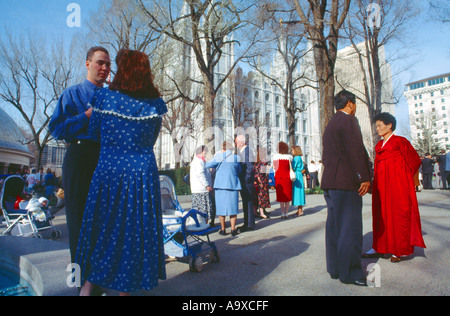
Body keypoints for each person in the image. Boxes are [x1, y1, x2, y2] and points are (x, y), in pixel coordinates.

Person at [75, 49, 167, 296]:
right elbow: (152, 139)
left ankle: (88, 287)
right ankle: (124, 290)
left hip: (109, 172)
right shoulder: (156, 105)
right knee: (133, 234)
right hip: (142, 175)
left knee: (102, 230)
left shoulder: (104, 99)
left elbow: (94, 132)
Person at [49, 46, 111, 265]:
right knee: (78, 222)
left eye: (107, 64)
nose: (104, 68)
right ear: (87, 64)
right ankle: (83, 285)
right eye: (99, 63)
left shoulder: (113, 97)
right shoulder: (72, 94)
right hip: (79, 156)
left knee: (105, 222)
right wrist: (85, 116)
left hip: (106, 160)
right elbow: (56, 129)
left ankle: (100, 281)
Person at [321, 90, 371, 286]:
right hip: (346, 183)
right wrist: (363, 178)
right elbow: (356, 150)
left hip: (331, 183)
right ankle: (350, 272)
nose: (355, 107)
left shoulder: (331, 124)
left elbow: (328, 156)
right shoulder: (349, 120)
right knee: (349, 229)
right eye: (355, 103)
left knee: (334, 227)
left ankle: (335, 268)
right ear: (349, 104)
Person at [362, 112, 426, 263]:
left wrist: (407, 181)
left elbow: (415, 161)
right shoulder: (379, 145)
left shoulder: (400, 142)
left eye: (380, 125)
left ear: (389, 125)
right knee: (381, 216)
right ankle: (379, 247)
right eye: (376, 126)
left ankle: (400, 250)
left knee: (398, 216)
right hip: (381, 188)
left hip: (398, 187)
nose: (377, 128)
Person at [205, 141, 242, 236]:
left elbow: (207, 165)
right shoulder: (236, 158)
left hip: (220, 186)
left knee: (221, 209)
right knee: (233, 208)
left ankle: (223, 229)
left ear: (223, 148)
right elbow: (239, 170)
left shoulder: (219, 157)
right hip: (233, 185)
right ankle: (233, 229)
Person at [235, 135, 256, 232]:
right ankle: (247, 222)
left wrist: (246, 179)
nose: (236, 144)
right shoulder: (243, 151)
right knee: (246, 202)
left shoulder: (247, 151)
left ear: (242, 142)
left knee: (248, 202)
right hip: (244, 181)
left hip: (246, 182)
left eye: (236, 142)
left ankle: (249, 224)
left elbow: (249, 167)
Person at [190, 145, 213, 221]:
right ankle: (202, 223)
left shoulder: (200, 161)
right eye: (205, 152)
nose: (206, 153)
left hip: (201, 189)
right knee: (202, 210)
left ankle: (203, 223)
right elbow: (200, 174)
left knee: (203, 209)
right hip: (200, 190)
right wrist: (207, 185)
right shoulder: (198, 161)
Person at [273, 141, 293, 219]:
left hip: (279, 178)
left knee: (281, 197)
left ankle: (282, 213)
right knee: (287, 197)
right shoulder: (289, 157)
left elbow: (274, 168)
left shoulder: (275, 157)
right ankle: (286, 213)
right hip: (287, 178)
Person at [253, 147, 271, 219]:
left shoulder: (256, 160)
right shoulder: (263, 162)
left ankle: (255, 212)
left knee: (255, 197)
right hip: (262, 181)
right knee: (262, 197)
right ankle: (261, 213)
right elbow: (263, 172)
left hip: (255, 181)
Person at [291, 145, 305, 216]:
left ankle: (300, 210)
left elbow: (293, 167)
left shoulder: (296, 158)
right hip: (299, 174)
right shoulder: (299, 157)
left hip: (296, 174)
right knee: (300, 191)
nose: (292, 151)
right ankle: (300, 209)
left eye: (292, 150)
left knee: (297, 192)